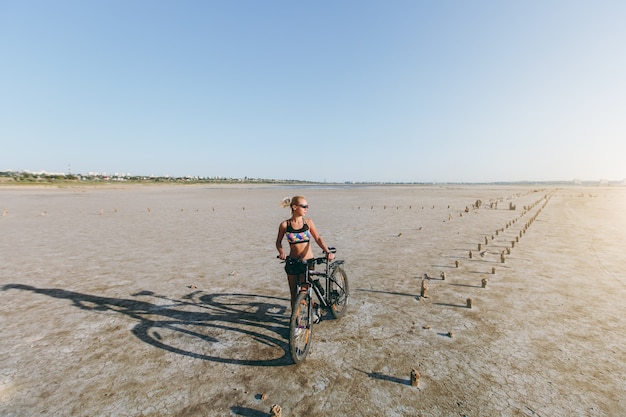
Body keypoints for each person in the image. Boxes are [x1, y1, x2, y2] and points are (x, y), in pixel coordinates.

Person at [276, 195, 334, 309]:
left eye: (307, 206)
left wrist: (327, 251)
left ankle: (311, 308)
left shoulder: (308, 222)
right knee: (293, 294)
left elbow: (317, 238)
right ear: (294, 207)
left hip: (308, 262)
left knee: (304, 290)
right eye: (304, 206)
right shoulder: (284, 225)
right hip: (292, 262)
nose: (306, 209)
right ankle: (296, 322)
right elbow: (278, 242)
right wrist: (281, 252)